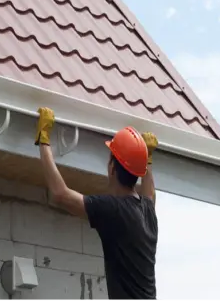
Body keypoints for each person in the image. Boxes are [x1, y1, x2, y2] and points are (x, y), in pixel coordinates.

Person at [35, 107, 159, 303]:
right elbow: (150, 192)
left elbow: (60, 194)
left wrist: (44, 140)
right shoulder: (147, 211)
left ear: (112, 168)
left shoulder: (114, 210)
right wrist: (148, 159)